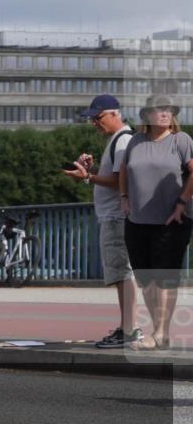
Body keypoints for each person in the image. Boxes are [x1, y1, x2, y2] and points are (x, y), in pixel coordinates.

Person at [65, 94, 141, 348]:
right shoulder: (118, 140)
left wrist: (88, 177)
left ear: (114, 113)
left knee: (123, 273)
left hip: (117, 216)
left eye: (98, 118)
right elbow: (116, 177)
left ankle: (130, 329)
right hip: (115, 216)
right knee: (120, 273)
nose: (94, 123)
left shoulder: (122, 141)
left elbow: (121, 181)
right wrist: (92, 171)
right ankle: (127, 327)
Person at [119, 95, 193, 351]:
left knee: (164, 278)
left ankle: (161, 332)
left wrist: (182, 202)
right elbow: (124, 170)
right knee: (146, 280)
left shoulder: (181, 140)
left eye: (168, 110)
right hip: (137, 221)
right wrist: (124, 197)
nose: (164, 113)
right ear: (147, 115)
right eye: (159, 109)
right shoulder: (136, 141)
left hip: (171, 220)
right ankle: (159, 331)